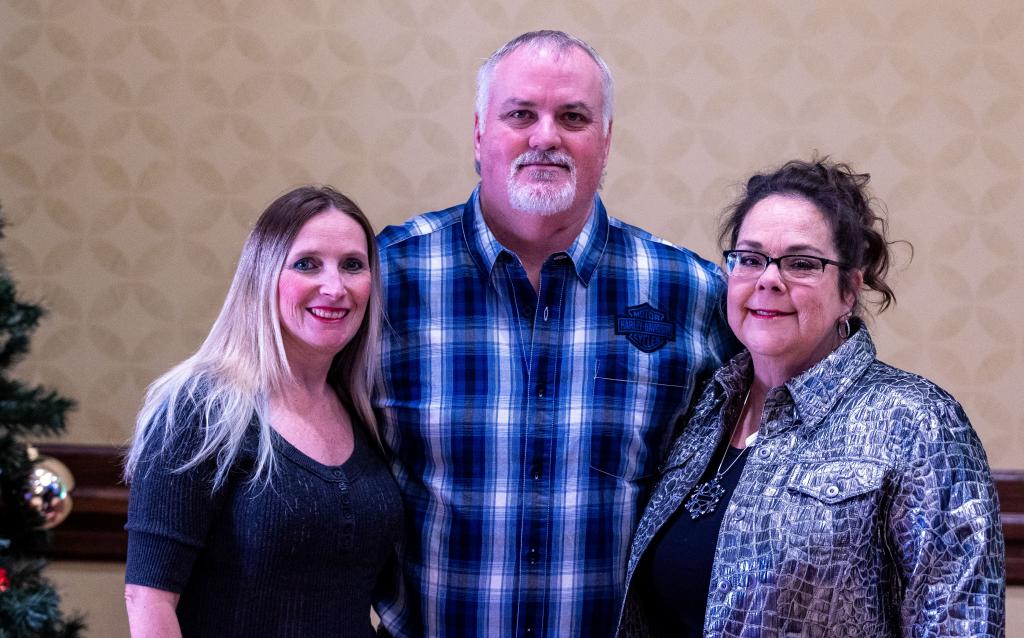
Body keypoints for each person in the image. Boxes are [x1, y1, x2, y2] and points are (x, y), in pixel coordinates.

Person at [373, 31, 736, 638]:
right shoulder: (389, 277)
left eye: (573, 117)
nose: (546, 137)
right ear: (479, 133)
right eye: (521, 114)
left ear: (606, 140)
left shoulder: (690, 291)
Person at [616, 158, 1005, 637]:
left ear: (850, 290)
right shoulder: (703, 410)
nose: (769, 279)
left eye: (801, 263)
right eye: (750, 259)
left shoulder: (918, 422)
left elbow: (961, 624)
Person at [123, 186, 402, 637]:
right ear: (263, 275)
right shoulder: (200, 408)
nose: (335, 287)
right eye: (307, 264)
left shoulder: (364, 407)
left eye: (352, 265)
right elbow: (148, 599)